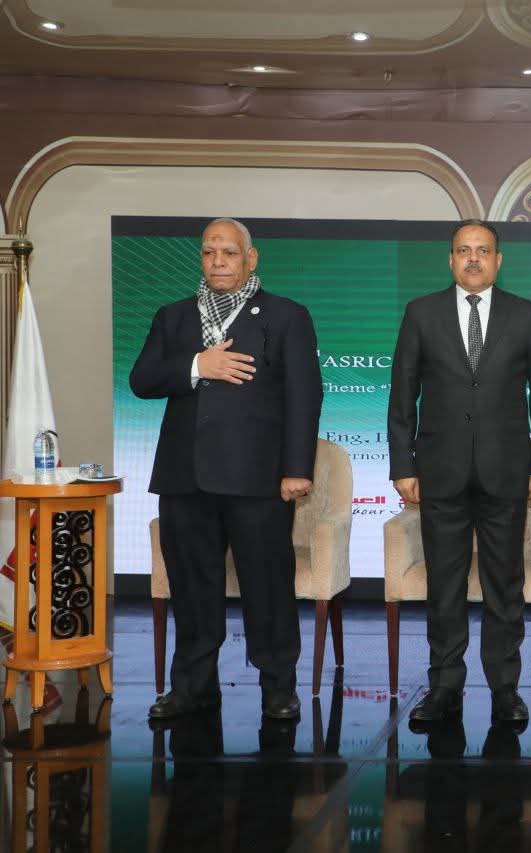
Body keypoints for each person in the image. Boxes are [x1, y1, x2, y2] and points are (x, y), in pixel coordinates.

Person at [130, 217, 322, 722]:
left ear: (250, 259)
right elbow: (142, 380)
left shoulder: (286, 316)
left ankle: (278, 687)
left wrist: (296, 469)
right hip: (184, 478)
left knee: (268, 587)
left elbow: (305, 396)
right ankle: (193, 687)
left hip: (259, 479)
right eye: (209, 252)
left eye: (229, 252)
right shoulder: (173, 317)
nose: (218, 261)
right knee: (192, 589)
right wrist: (197, 366)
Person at [387, 219, 531, 725]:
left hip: (506, 472)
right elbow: (402, 395)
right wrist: (403, 465)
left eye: (482, 250)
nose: (473, 259)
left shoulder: (525, 314)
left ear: (498, 260)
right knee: (444, 586)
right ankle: (444, 687)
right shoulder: (421, 313)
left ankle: (505, 689)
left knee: (504, 586)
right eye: (463, 250)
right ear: (450, 259)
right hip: (438, 471)